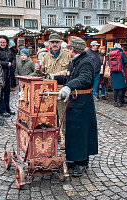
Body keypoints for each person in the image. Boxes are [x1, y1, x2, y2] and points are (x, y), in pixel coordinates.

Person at [54, 36, 98, 177]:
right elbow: (70, 78)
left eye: (69, 49)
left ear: (73, 49)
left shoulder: (86, 62)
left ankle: (82, 162)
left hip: (83, 103)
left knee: (81, 133)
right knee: (72, 132)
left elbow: (83, 79)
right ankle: (74, 157)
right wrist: (54, 77)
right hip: (74, 101)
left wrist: (68, 87)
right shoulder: (75, 62)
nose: (68, 51)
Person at [35, 33, 71, 148]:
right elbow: (43, 74)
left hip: (61, 91)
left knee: (63, 117)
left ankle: (66, 138)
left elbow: (71, 72)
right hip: (49, 91)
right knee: (51, 116)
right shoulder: (45, 56)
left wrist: (60, 74)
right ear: (49, 44)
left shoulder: (67, 54)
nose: (55, 44)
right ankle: (55, 137)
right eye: (52, 42)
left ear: (60, 43)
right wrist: (38, 70)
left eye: (57, 42)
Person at [0, 35, 16, 117]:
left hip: (8, 74)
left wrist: (12, 65)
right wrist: (6, 64)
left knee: (7, 92)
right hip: (0, 75)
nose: (2, 44)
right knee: (0, 93)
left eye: (4, 42)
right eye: (1, 42)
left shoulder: (8, 50)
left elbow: (13, 59)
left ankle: (7, 109)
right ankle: (2, 110)